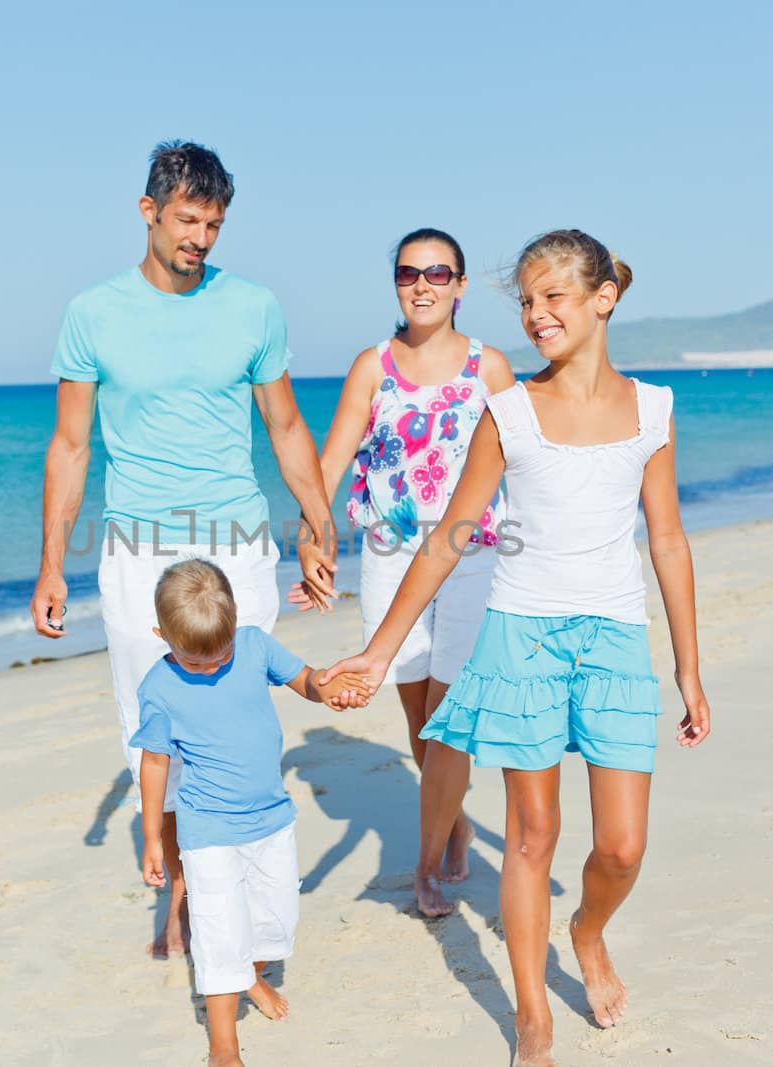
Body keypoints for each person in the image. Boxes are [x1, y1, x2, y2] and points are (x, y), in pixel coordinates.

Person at [321, 229, 712, 1067]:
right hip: (521, 635)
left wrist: (688, 666)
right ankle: (532, 1013)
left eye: (553, 298)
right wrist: (381, 650)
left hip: (612, 637)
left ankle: (588, 930)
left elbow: (669, 540)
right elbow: (451, 535)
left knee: (621, 847)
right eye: (526, 301)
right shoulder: (508, 412)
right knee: (533, 835)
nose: (536, 315)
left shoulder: (652, 410)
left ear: (603, 297)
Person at [33, 141, 339, 960]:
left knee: (236, 720)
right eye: (187, 219)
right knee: (154, 728)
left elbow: (283, 424)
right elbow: (70, 446)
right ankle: (178, 892)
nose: (200, 237)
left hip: (237, 542)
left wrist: (318, 519)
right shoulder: (93, 312)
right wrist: (52, 563)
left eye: (214, 223)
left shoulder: (254, 307)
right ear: (149, 211)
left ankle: (228, 899)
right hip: (136, 548)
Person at [289, 227, 516, 917]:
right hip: (389, 554)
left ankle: (424, 862)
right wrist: (311, 532)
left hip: (471, 554)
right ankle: (453, 820)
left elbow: (526, 461)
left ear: (461, 285)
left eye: (438, 272)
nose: (423, 284)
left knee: (449, 717)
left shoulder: (491, 368)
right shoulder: (372, 366)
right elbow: (330, 462)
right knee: (417, 712)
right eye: (409, 273)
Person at [133, 560, 371, 1067]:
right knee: (220, 935)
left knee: (276, 923)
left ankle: (253, 976)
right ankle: (224, 1046)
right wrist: (154, 836)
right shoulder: (158, 687)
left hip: (271, 821)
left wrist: (329, 693)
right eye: (194, 663)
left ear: (235, 621)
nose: (211, 668)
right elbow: (154, 764)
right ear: (162, 636)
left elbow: (304, 679)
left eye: (219, 656)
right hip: (207, 830)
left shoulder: (254, 646)